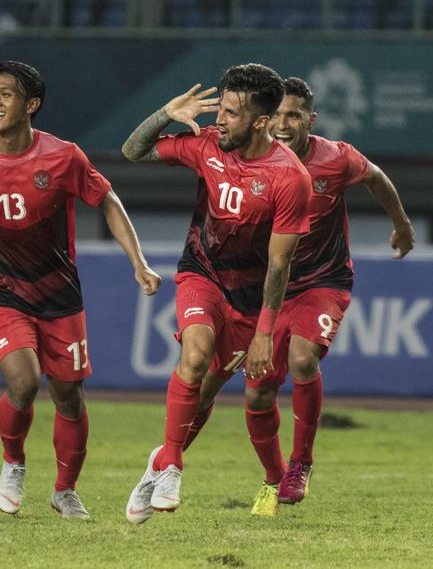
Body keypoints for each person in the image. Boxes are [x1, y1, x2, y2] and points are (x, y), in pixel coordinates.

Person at [0, 60, 160, 520]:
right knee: (24, 381)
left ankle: (64, 490)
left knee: (69, 396)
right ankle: (13, 462)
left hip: (58, 294)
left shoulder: (63, 157)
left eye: (6, 94)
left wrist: (139, 262)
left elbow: (107, 200)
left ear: (31, 104)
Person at [179, 76, 415, 515]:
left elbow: (378, 179)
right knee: (248, 393)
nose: (285, 124)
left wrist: (401, 224)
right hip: (263, 290)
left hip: (321, 283)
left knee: (304, 358)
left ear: (312, 119)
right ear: (264, 119)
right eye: (280, 115)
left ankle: (301, 463)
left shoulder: (337, 158)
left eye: (296, 115)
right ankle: (177, 461)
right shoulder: (253, 160)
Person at [120, 63, 312, 525]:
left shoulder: (290, 179)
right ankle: (172, 465)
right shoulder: (207, 144)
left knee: (205, 392)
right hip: (201, 273)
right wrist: (166, 111)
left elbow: (281, 264)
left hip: (250, 300)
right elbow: (133, 150)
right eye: (219, 109)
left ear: (261, 122)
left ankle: (158, 462)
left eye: (230, 112)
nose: (219, 119)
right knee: (195, 355)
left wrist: (265, 332)